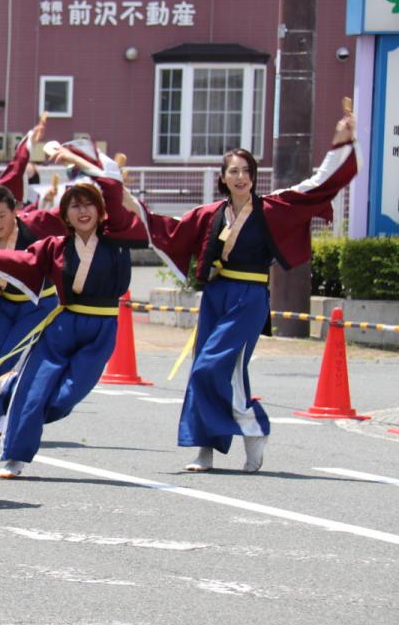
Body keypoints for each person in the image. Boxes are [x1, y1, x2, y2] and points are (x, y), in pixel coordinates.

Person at [141, 111, 358, 473]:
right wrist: (122, 198)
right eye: (234, 172)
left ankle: (254, 428)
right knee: (201, 368)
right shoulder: (211, 214)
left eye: (247, 171)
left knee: (219, 367)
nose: (241, 177)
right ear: (223, 179)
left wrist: (341, 142)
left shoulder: (272, 209)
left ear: (254, 176)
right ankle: (205, 448)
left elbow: (317, 185)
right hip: (216, 296)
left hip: (249, 297)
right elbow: (169, 230)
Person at [0, 174, 144, 479]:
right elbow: (21, 260)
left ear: (100, 209)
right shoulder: (55, 246)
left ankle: (11, 385)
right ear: (65, 215)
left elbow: (120, 201)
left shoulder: (118, 238)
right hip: (63, 324)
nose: (82, 212)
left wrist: (94, 167)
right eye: (75, 206)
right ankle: (15, 457)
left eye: (88, 205)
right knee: (34, 392)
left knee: (64, 398)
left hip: (102, 328)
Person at [0, 184, 63, 441]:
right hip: (5, 304)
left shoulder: (34, 229)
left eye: (2, 216)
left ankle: (8, 415)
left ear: (15, 212)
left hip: (37, 304)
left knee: (9, 357)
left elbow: (65, 222)